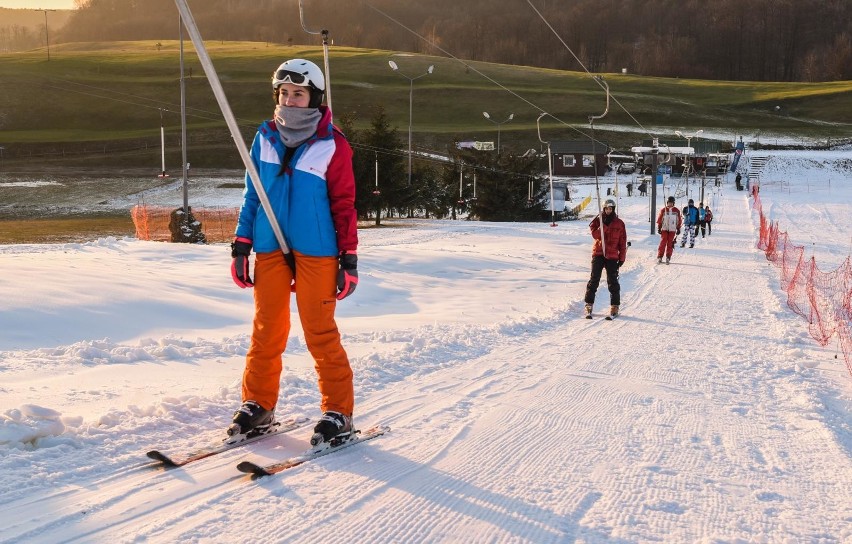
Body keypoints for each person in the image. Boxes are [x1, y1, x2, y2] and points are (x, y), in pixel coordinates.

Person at [229, 58, 359, 446]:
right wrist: (241, 245)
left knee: (319, 332)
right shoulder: (264, 137)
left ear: (314, 98)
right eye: (284, 93)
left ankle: (339, 411)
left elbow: (344, 204)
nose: (289, 100)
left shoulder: (332, 144)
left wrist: (348, 258)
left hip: (317, 251)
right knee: (266, 331)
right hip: (269, 246)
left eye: (298, 94)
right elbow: (253, 194)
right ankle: (259, 405)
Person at [584, 198, 628, 318]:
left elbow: (622, 241)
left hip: (612, 255)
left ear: (613, 209)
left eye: (610, 209)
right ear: (603, 209)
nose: (608, 211)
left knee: (612, 280)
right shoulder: (598, 220)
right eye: (606, 209)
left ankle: (614, 306)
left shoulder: (619, 223)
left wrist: (622, 257)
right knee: (594, 279)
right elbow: (595, 235)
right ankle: (589, 303)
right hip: (598, 253)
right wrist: (603, 226)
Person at [656, 196, 681, 264]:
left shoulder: (676, 211)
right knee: (663, 243)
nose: (670, 204)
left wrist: (678, 228)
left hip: (672, 230)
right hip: (664, 229)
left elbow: (679, 220)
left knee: (670, 243)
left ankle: (668, 257)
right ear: (667, 203)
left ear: (673, 203)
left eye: (671, 203)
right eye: (669, 203)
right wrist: (659, 227)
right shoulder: (663, 210)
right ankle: (660, 256)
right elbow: (660, 219)